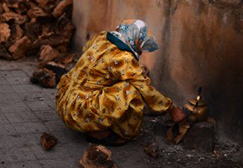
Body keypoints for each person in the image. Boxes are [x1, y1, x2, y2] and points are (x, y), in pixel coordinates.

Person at [55, 19, 185, 145]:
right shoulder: (124, 58)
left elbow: (88, 52)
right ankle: (98, 133)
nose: (140, 52)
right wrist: (171, 108)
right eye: (141, 47)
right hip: (80, 111)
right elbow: (145, 89)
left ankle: (91, 123)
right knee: (130, 89)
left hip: (66, 104)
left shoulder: (102, 38)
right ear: (134, 40)